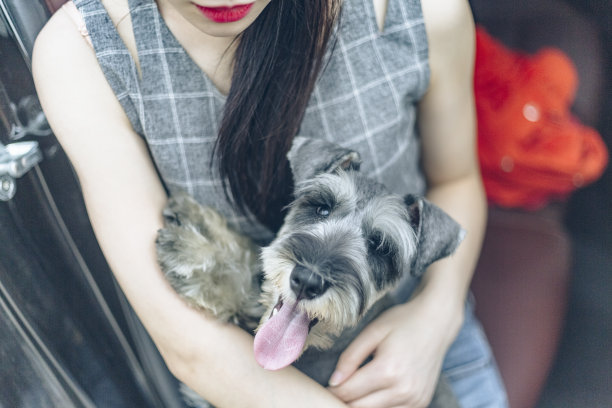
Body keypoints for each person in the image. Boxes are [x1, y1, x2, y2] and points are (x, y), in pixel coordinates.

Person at [32, 0, 509, 406]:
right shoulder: (82, 55)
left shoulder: (420, 9)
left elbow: (457, 179)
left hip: (423, 345)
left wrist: (435, 316)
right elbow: (189, 345)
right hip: (245, 383)